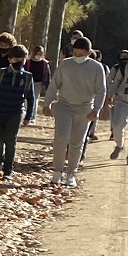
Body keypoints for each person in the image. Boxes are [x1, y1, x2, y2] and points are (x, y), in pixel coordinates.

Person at [46, 34, 108, 187]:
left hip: (84, 108)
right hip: (64, 106)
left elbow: (101, 90)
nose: (77, 56)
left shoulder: (96, 67)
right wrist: (47, 103)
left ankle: (71, 174)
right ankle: (57, 171)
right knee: (61, 138)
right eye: (75, 53)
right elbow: (54, 84)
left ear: (89, 52)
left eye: (81, 54)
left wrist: (96, 109)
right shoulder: (65, 64)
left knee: (76, 142)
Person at [0, 40, 37, 179]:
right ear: (9, 59)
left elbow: (31, 98)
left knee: (10, 140)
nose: (18, 62)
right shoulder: (1, 73)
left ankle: (8, 168)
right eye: (15, 59)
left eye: (21, 59)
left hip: (15, 112)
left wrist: (28, 116)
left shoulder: (27, 77)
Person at [26, 46, 53, 119]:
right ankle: (27, 114)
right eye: (37, 54)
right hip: (28, 82)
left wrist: (47, 87)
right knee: (27, 99)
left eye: (40, 54)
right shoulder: (28, 61)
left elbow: (47, 75)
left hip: (38, 83)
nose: (38, 56)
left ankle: (32, 116)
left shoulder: (44, 63)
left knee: (35, 98)